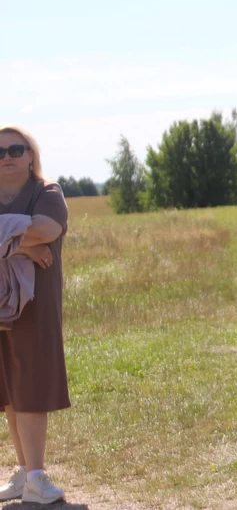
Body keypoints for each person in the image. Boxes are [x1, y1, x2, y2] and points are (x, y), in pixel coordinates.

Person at [0, 125, 69, 505]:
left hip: (35, 304)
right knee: (10, 392)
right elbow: (33, 239)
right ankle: (25, 473)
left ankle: (37, 477)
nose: (6, 157)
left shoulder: (47, 192)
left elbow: (46, 229)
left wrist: (15, 240)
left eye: (15, 149)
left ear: (30, 155)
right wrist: (24, 249)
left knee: (31, 390)